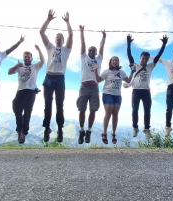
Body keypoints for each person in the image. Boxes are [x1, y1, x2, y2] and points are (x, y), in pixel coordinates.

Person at [39, 9, 73, 143]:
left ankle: (60, 129)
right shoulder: (50, 47)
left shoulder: (66, 49)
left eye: (61, 37)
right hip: (48, 77)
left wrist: (67, 22)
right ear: (55, 39)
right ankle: (47, 128)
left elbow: (71, 34)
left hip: (59, 79)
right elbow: (41, 32)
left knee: (59, 104)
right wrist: (48, 20)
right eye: (57, 36)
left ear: (63, 40)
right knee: (47, 104)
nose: (59, 37)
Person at [126, 34, 168, 138]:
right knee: (135, 110)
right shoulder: (135, 65)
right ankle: (135, 128)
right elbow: (129, 56)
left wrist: (163, 44)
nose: (144, 60)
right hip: (136, 90)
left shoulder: (150, 66)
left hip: (146, 91)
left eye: (146, 59)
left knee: (147, 110)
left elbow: (158, 56)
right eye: (143, 58)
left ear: (148, 59)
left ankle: (147, 129)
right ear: (140, 58)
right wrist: (128, 43)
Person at [8, 45, 45, 144]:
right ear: (23, 58)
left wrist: (39, 49)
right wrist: (17, 66)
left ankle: (24, 132)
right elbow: (9, 72)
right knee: (17, 111)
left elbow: (42, 61)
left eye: (29, 57)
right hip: (20, 91)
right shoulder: (19, 67)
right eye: (25, 56)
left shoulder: (35, 67)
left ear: (31, 58)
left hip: (30, 91)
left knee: (27, 112)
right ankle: (19, 130)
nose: (27, 58)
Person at [93, 57, 134, 144]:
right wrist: (95, 71)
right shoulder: (107, 71)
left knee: (115, 114)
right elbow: (98, 80)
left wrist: (132, 72)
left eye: (116, 60)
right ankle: (104, 133)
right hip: (108, 94)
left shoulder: (121, 72)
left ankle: (113, 134)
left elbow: (128, 80)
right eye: (113, 60)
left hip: (117, 95)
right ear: (110, 62)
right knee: (108, 113)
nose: (115, 61)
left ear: (118, 62)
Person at [77, 25, 106, 144]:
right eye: (90, 51)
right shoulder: (84, 57)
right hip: (84, 87)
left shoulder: (99, 59)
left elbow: (101, 46)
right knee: (82, 109)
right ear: (88, 52)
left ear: (96, 53)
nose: (92, 52)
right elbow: (82, 42)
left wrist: (103, 37)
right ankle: (81, 131)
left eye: (93, 51)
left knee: (93, 110)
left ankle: (88, 131)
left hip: (94, 87)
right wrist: (81, 32)